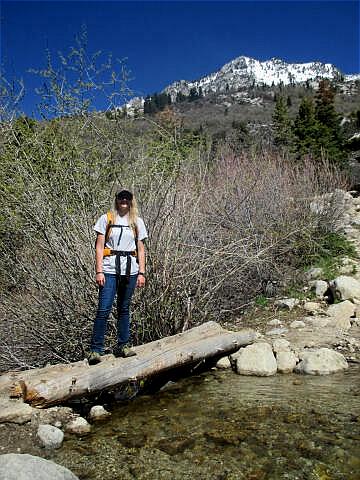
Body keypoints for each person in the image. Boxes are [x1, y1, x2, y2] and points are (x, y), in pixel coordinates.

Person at [88, 189, 148, 365]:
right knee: (104, 309)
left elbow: (141, 249)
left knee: (124, 309)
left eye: (127, 198)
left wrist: (142, 273)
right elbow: (99, 247)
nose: (124, 200)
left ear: (131, 201)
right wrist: (99, 271)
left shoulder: (137, 222)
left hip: (130, 270)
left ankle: (123, 345)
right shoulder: (106, 219)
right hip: (109, 269)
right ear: (116, 200)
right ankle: (95, 349)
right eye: (121, 198)